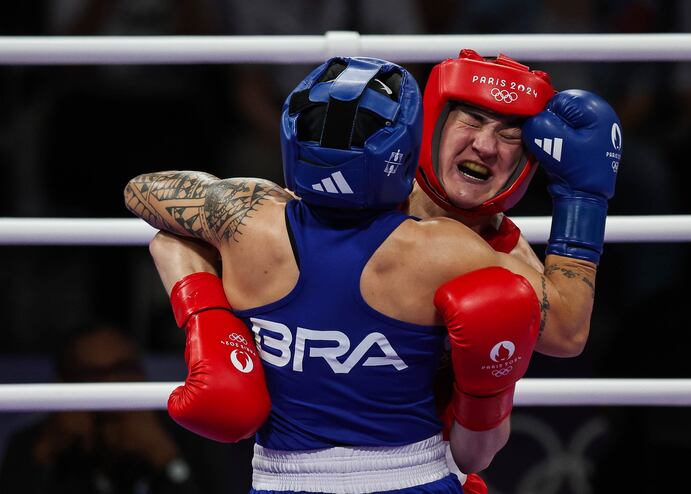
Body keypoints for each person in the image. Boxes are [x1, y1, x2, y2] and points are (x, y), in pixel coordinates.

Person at [137, 50, 622, 492]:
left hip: (421, 459)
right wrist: (208, 317)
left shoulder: (488, 249)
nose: (485, 145)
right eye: (471, 120)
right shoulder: (358, 195)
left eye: (510, 133)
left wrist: (583, 201)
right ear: (430, 126)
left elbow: (565, 332)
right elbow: (163, 220)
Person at [0, 323, 249, 494]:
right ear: (64, 381)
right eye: (91, 374)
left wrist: (167, 461)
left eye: (122, 369)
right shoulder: (34, 444)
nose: (110, 383)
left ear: (141, 374)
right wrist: (46, 454)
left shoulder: (190, 435)